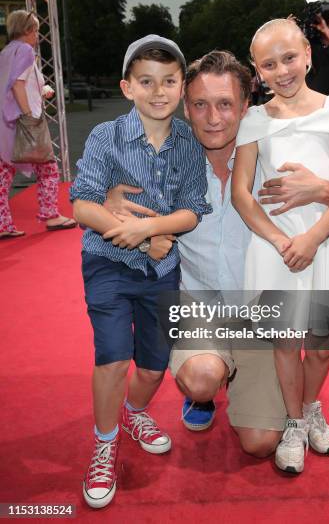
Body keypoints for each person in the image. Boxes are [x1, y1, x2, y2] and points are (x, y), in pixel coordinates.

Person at [106, 49, 329, 462]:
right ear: (186, 108)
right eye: (200, 104)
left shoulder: (271, 148)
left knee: (261, 443)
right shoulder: (164, 163)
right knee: (201, 378)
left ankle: (259, 391)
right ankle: (205, 392)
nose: (213, 117)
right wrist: (117, 209)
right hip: (201, 307)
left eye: (225, 104)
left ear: (245, 106)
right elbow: (117, 213)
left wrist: (323, 190)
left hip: (259, 315)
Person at [70, 35, 211, 509]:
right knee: (112, 357)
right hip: (107, 263)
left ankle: (132, 413)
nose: (159, 91)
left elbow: (193, 209)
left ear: (180, 86)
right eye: (146, 81)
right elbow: (82, 203)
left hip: (161, 269)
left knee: (152, 368)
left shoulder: (189, 142)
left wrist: (153, 229)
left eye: (169, 81)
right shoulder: (105, 137)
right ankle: (104, 443)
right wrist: (127, 232)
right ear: (127, 87)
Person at [231, 18, 329, 474]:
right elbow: (241, 194)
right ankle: (292, 422)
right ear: (258, 70)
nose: (282, 70)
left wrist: (313, 237)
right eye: (269, 64)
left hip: (324, 244)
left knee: (321, 344)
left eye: (289, 58)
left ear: (307, 54)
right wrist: (281, 240)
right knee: (286, 343)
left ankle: (310, 410)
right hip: (275, 250)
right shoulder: (252, 119)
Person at [0, 9, 77, 238]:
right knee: (48, 168)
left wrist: (41, 90)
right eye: (35, 29)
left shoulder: (5, 52)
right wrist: (28, 116)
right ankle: (51, 215)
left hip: (5, 123)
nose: (37, 34)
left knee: (3, 175)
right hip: (23, 122)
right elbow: (17, 85)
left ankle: (2, 224)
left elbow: (13, 84)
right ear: (26, 30)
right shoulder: (25, 50)